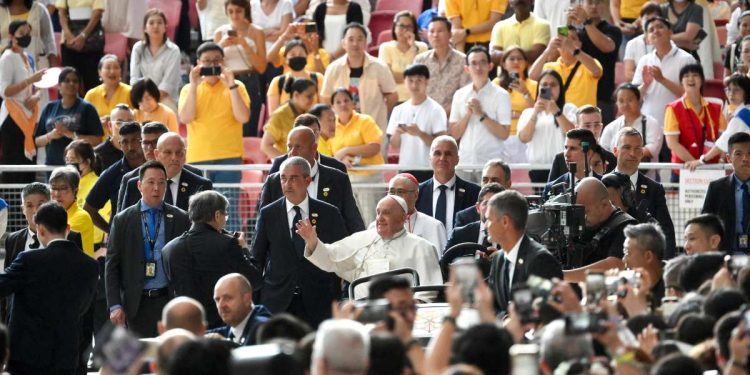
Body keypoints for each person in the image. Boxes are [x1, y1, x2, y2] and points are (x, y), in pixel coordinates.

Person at [0, 202, 98, 375]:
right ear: (68, 227)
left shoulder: (28, 261)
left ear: (40, 230)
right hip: (66, 355)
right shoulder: (90, 265)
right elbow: (85, 307)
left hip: (26, 356)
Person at [251, 156, 348, 327]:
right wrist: (256, 298)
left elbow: (340, 255)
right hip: (277, 302)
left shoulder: (329, 213)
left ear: (307, 180)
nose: (287, 184)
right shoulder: (268, 214)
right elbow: (257, 258)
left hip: (319, 302)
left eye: (294, 178)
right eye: (283, 178)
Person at [106, 160, 191, 338]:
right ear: (139, 185)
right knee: (139, 360)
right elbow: (112, 265)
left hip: (168, 300)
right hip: (136, 303)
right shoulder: (123, 219)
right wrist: (115, 305)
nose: (156, 188)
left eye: (161, 183)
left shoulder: (180, 217)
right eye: (151, 182)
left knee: (168, 358)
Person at [299, 195, 443, 297]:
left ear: (403, 218)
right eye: (378, 212)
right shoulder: (362, 238)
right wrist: (312, 241)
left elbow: (427, 292)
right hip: (366, 312)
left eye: (386, 213)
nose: (379, 218)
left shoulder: (422, 247)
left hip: (402, 314)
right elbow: (330, 259)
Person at [178, 42, 250, 230]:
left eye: (216, 61)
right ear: (198, 63)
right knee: (197, 211)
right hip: (197, 160)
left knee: (228, 209)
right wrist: (194, 85)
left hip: (229, 157)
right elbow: (186, 117)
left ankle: (232, 251)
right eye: (207, 61)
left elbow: (243, 116)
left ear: (224, 62)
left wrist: (231, 85)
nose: (211, 65)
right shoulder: (188, 89)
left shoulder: (237, 86)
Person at [162, 191, 259, 329]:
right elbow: (254, 280)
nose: (226, 219)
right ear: (217, 215)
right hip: (221, 327)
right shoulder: (227, 244)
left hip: (185, 326)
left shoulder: (168, 249)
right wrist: (244, 248)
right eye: (225, 215)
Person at [259, 125, 364, 235]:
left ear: (314, 148)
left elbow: (353, 221)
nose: (292, 153)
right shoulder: (273, 181)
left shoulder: (338, 179)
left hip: (328, 249)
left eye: (298, 147)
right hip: (284, 251)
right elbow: (262, 226)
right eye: (289, 147)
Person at [486, 190, 563, 312]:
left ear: (505, 221)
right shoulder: (498, 260)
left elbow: (549, 310)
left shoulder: (540, 262)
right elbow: (492, 307)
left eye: (489, 219)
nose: (486, 225)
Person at [320, 22, 397, 133]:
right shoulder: (333, 68)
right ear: (343, 43)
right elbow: (326, 98)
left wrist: (381, 114)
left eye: (360, 39)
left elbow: (392, 95)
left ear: (366, 42)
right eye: (351, 39)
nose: (355, 43)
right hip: (342, 130)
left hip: (373, 129)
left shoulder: (379, 67)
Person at [612, 127, 676, 259]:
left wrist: (663, 266)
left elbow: (666, 231)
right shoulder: (601, 185)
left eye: (637, 149)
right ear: (615, 151)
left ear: (642, 153)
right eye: (626, 147)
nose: (632, 153)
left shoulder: (654, 189)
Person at [448, 46, 512, 179]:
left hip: (491, 165)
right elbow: (454, 133)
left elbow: (504, 133)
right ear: (467, 68)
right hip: (464, 163)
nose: (478, 67)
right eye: (474, 63)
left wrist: (481, 114)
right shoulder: (460, 95)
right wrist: (468, 114)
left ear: (490, 66)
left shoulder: (501, 95)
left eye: (483, 62)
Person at [327, 87, 385, 222]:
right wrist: (342, 157)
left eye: (346, 100)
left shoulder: (365, 121)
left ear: (353, 103)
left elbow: (374, 147)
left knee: (371, 219)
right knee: (351, 220)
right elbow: (329, 153)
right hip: (344, 180)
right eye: (338, 102)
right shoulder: (330, 124)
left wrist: (346, 150)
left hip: (368, 179)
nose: (343, 104)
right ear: (332, 106)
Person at [563, 177, 637, 282]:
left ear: (604, 204)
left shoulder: (626, 226)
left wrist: (563, 276)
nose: (582, 217)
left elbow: (615, 265)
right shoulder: (587, 223)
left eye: (586, 211)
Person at [632, 16, 696, 134]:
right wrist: (645, 85)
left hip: (678, 124)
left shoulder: (686, 59)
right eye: (651, 30)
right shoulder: (644, 60)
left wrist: (662, 80)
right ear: (647, 39)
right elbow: (634, 98)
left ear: (670, 32)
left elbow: (693, 95)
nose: (656, 31)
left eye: (660, 27)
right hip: (649, 125)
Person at [120, 132, 213, 212]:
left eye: (179, 152)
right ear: (157, 154)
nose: (174, 158)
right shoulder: (134, 185)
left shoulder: (200, 185)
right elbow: (123, 224)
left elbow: (207, 227)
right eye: (168, 152)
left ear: (185, 154)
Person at [0, 20, 45, 183]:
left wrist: (37, 96)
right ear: (11, 36)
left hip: (29, 114)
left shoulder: (28, 57)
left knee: (29, 165)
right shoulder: (7, 57)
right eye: (21, 33)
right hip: (12, 116)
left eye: (28, 33)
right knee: (14, 164)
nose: (26, 36)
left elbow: (35, 86)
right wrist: (30, 80)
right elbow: (4, 91)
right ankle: (11, 208)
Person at [213, 0, 267, 136]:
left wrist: (244, 44)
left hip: (249, 79)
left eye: (238, 11)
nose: (234, 15)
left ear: (245, 11)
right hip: (226, 81)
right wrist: (220, 46)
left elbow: (261, 67)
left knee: (249, 126)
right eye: (230, 11)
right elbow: (211, 62)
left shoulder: (256, 31)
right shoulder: (220, 32)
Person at [386, 64, 447, 182]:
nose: (414, 85)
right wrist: (397, 133)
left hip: (429, 168)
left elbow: (441, 144)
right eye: (410, 80)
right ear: (405, 82)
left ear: (427, 81)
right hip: (405, 168)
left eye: (419, 80)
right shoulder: (398, 109)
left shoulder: (436, 109)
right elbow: (394, 145)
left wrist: (419, 133)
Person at [664, 63, 725, 179]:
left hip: (712, 170)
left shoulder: (716, 108)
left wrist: (720, 159)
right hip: (683, 170)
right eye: (686, 76)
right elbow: (672, 143)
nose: (691, 78)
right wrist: (696, 163)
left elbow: (723, 138)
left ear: (702, 80)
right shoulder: (673, 108)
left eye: (695, 75)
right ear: (681, 82)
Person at [517, 69, 577, 184]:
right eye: (544, 85)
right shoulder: (528, 112)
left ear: (561, 88)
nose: (549, 88)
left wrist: (556, 111)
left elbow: (573, 134)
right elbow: (524, 138)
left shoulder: (569, 109)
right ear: (538, 88)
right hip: (537, 169)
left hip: (564, 167)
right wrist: (535, 113)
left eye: (553, 85)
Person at [34, 67, 103, 165]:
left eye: (75, 81)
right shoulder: (49, 107)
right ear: (59, 86)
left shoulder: (87, 108)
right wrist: (51, 136)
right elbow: (37, 141)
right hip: (52, 165)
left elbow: (97, 140)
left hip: (79, 167)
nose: (71, 84)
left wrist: (72, 135)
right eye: (67, 81)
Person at [84, 122, 145, 232]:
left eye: (135, 140)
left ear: (143, 141)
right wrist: (111, 231)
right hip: (123, 242)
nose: (130, 147)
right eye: (125, 142)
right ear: (120, 144)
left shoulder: (156, 168)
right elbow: (89, 209)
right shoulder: (112, 174)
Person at [415, 136, 481, 234]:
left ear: (457, 159)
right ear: (430, 158)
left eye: (448, 154)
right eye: (437, 153)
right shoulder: (417, 192)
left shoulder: (474, 193)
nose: (442, 158)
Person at [570, 0, 623, 123]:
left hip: (603, 97)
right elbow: (564, 48)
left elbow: (607, 46)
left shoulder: (613, 30)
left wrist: (587, 22)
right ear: (582, 5)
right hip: (579, 96)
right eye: (590, 3)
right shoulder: (578, 33)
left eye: (598, 3)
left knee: (601, 140)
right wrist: (567, 24)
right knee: (581, 141)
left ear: (603, 6)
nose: (594, 6)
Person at [687, 74, 750, 168]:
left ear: (746, 92)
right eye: (729, 89)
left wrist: (702, 160)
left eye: (736, 90)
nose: (731, 94)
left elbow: (724, 142)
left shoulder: (741, 117)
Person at [529, 30, 603, 108]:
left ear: (580, 44)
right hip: (556, 115)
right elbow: (532, 76)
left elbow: (596, 71)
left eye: (572, 38)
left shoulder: (588, 64)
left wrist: (572, 48)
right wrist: (548, 50)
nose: (566, 42)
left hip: (582, 117)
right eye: (563, 39)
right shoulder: (550, 67)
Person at [376, 173, 447, 254]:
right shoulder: (378, 225)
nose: (395, 196)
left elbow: (439, 261)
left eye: (400, 191)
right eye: (391, 192)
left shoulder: (434, 226)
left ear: (415, 195)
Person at [413, 16, 471, 116]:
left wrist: (442, 113)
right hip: (425, 115)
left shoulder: (463, 61)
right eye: (431, 31)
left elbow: (465, 94)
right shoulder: (420, 60)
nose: (435, 35)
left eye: (440, 31)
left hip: (453, 118)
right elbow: (415, 90)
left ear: (450, 34)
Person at [367, 276, 426, 374]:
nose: (411, 317)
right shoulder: (361, 354)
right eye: (401, 309)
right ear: (377, 311)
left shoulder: (417, 352)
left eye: (413, 307)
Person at [702, 132, 750, 253]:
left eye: (749, 153)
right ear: (729, 158)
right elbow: (706, 224)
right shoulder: (716, 188)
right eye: (738, 154)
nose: (745, 158)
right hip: (726, 256)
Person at [547, 105, 618, 183]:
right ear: (577, 128)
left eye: (597, 125)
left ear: (601, 127)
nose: (593, 130)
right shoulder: (560, 159)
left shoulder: (612, 159)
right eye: (587, 126)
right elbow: (551, 189)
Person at [130, 8, 183, 112]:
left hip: (166, 99)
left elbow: (168, 84)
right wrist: (143, 100)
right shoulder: (138, 48)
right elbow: (134, 79)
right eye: (151, 23)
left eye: (159, 23)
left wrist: (150, 101)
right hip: (141, 99)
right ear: (145, 28)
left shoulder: (173, 50)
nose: (155, 26)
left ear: (165, 28)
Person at [267, 110, 348, 174]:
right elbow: (268, 194)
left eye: (315, 132)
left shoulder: (336, 167)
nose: (311, 137)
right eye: (306, 133)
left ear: (320, 133)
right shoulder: (280, 164)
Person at [600, 83, 663, 163]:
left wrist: (624, 154)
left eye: (630, 100)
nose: (625, 104)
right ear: (616, 103)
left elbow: (652, 149)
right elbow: (603, 151)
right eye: (621, 101)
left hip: (646, 174)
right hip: (616, 173)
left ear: (639, 100)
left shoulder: (651, 123)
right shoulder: (611, 127)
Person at [65, 140, 108, 248]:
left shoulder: (98, 184)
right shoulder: (65, 184)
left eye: (74, 160)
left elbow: (106, 218)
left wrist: (103, 247)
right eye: (67, 160)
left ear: (87, 161)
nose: (70, 164)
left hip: (92, 245)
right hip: (68, 242)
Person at [261, 78, 318, 159]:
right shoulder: (280, 116)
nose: (312, 100)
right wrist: (287, 162)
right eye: (309, 96)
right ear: (296, 95)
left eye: (313, 97)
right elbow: (265, 146)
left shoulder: (310, 113)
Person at [378, 11, 428, 103]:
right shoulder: (386, 48)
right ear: (394, 28)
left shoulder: (422, 47)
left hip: (417, 98)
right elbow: (387, 77)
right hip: (393, 99)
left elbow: (422, 76)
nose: (405, 30)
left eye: (409, 27)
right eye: (401, 26)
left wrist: (413, 48)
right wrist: (412, 78)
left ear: (414, 29)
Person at [208, 274, 271, 346]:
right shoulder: (233, 327)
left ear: (247, 299)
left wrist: (226, 346)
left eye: (228, 298)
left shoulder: (264, 329)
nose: (221, 305)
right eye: (217, 300)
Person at [491, 46, 538, 143]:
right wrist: (518, 114)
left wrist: (525, 93)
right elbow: (491, 111)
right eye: (512, 59)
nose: (516, 62)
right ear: (504, 64)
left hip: (525, 136)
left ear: (525, 63)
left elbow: (537, 112)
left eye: (520, 58)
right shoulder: (496, 83)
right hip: (500, 136)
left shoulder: (534, 85)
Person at [55, 0, 104, 92]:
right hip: (69, 41)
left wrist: (83, 36)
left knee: (92, 82)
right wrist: (68, 35)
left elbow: (97, 12)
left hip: (92, 42)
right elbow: (61, 12)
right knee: (69, 79)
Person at [266, 37, 323, 114]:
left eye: (301, 54)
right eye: (293, 54)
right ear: (285, 59)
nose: (297, 56)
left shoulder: (318, 78)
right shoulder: (277, 82)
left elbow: (324, 109)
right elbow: (273, 116)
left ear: (307, 57)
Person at [0, 0, 57, 75]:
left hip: (38, 66)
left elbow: (49, 41)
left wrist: (53, 67)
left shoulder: (39, 9)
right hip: (7, 68)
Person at [446, 182, 505, 254]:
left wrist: (501, 258)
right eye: (486, 203)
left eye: (497, 204)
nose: (491, 209)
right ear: (477, 207)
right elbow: (443, 263)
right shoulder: (459, 235)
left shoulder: (512, 236)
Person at [49, 166, 95, 257]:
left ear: (75, 190)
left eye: (63, 188)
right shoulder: (53, 214)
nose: (57, 194)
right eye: (54, 188)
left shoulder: (81, 216)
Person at [543, 128, 601, 201]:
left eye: (573, 148)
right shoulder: (552, 188)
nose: (566, 154)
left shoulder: (605, 184)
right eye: (566, 147)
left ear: (588, 153)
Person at [453, 159, 512, 228]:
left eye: (495, 180)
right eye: (485, 180)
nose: (488, 184)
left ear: (508, 184)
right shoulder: (465, 218)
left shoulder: (520, 215)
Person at [489, 0, 550, 65]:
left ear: (532, 1)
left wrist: (507, 57)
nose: (519, 0)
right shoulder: (499, 26)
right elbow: (493, 56)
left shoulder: (543, 25)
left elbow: (537, 54)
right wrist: (520, 55)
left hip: (533, 75)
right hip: (505, 75)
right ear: (510, 2)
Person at [622, 222, 667, 306]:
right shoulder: (626, 284)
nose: (624, 260)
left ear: (648, 256)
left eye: (627, 252)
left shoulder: (674, 282)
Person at [84, 54, 132, 123]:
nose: (112, 71)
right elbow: (84, 122)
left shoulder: (130, 92)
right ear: (100, 72)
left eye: (116, 68)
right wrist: (98, 123)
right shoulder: (91, 94)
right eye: (108, 68)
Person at [622, 3, 662, 82]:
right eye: (647, 18)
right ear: (640, 20)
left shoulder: (666, 42)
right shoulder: (632, 44)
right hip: (639, 87)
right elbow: (628, 74)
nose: (650, 22)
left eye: (653, 19)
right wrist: (647, 79)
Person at [93, 104, 133, 170]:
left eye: (130, 122)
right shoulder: (97, 155)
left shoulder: (142, 150)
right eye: (119, 123)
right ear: (110, 126)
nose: (125, 126)